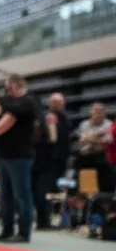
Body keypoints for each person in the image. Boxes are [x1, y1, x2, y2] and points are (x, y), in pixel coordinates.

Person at [0, 73, 42, 244]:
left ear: (14, 86)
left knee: (22, 194)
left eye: (7, 87)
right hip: (7, 155)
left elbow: (7, 118)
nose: (6, 91)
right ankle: (6, 230)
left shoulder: (28, 101)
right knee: (6, 196)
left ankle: (23, 231)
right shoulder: (13, 105)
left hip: (20, 156)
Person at [33, 93, 71, 230]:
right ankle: (43, 222)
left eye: (60, 102)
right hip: (43, 161)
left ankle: (45, 220)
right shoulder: (43, 118)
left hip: (58, 162)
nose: (57, 104)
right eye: (54, 102)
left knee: (47, 193)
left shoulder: (66, 119)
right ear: (48, 103)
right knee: (41, 192)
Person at [76, 102, 113, 192]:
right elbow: (82, 139)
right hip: (87, 157)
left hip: (103, 158)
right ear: (90, 113)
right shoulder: (84, 124)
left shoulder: (109, 124)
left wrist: (91, 139)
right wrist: (97, 137)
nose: (98, 114)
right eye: (95, 111)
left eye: (100, 112)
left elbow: (107, 141)